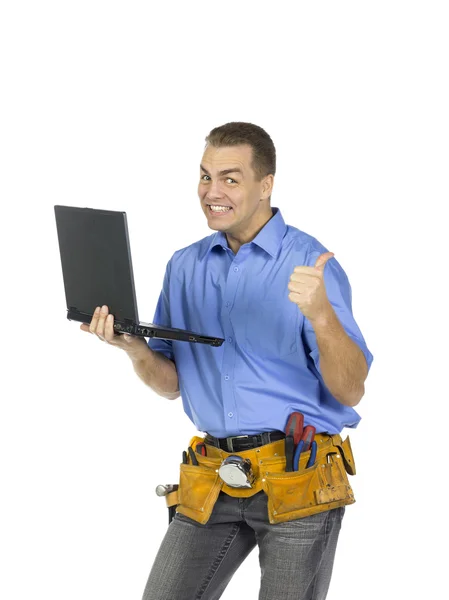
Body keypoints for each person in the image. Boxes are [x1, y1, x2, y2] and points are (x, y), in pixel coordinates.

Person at [81, 122, 373, 600]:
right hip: (213, 475)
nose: (211, 192)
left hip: (297, 479)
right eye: (204, 176)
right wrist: (133, 348)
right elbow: (172, 381)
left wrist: (321, 316)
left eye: (230, 179)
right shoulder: (185, 265)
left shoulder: (309, 263)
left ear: (266, 185)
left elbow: (351, 389)